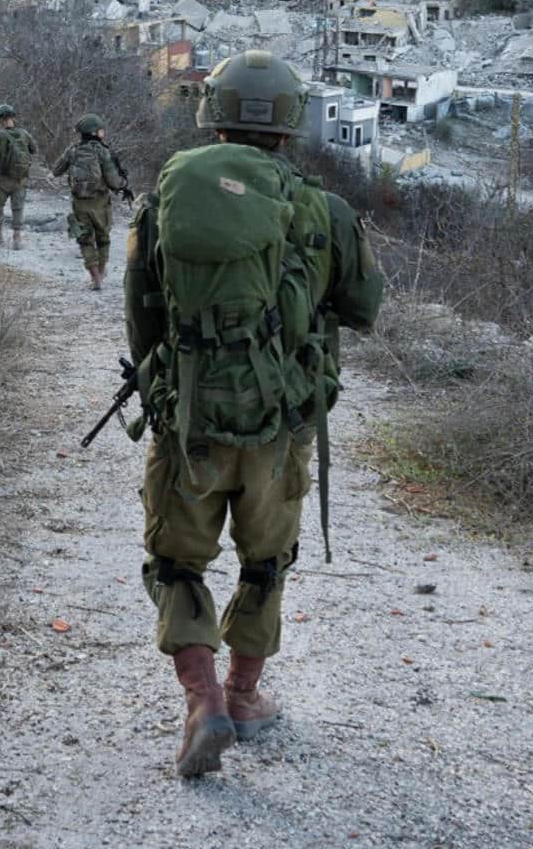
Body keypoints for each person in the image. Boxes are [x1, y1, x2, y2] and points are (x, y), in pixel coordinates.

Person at [121, 50, 382, 779]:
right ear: (290, 127)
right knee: (265, 563)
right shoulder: (324, 210)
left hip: (190, 418)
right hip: (281, 424)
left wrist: (170, 385)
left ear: (212, 116)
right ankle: (244, 692)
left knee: (177, 562)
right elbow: (365, 308)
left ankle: (201, 700)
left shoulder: (163, 201)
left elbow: (141, 321)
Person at [51, 113, 128, 289]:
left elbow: (56, 170)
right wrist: (124, 184)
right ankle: (101, 271)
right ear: (94, 132)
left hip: (79, 203)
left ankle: (95, 278)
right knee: (103, 238)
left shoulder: (73, 150)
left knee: (85, 239)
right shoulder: (103, 151)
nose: (103, 132)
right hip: (100, 202)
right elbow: (114, 181)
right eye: (101, 130)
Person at [0, 104, 38, 248]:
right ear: (13, 117)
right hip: (21, 179)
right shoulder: (25, 134)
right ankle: (17, 238)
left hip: (2, 179)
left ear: (0, 120)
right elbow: (34, 150)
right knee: (18, 208)